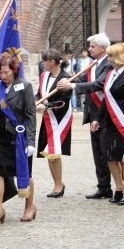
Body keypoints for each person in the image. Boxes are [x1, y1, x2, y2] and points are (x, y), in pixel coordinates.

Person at [57, 33, 114, 199]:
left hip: (107, 113)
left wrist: (72, 86)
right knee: (98, 153)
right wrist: (61, 80)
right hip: (94, 113)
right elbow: (81, 78)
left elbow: (98, 84)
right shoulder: (93, 64)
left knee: (109, 151)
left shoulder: (110, 64)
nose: (89, 49)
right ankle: (103, 187)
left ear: (102, 48)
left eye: (92, 46)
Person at [90, 43, 124, 205]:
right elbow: (106, 100)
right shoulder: (110, 75)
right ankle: (118, 187)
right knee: (110, 157)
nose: (109, 59)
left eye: (111, 56)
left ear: (120, 56)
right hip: (110, 122)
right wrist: (97, 119)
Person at [0, 55, 37, 224]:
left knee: (25, 173)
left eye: (6, 72)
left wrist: (30, 141)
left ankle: (29, 207)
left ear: (14, 70)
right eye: (0, 72)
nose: (3, 76)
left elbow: (31, 116)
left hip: (19, 138)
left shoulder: (25, 86)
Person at [36, 49, 73, 197]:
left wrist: (46, 106)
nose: (42, 63)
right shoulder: (44, 76)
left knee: (54, 152)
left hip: (59, 119)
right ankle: (57, 183)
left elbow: (63, 101)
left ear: (52, 63)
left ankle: (59, 185)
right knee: (49, 153)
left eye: (44, 61)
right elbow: (40, 93)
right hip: (47, 119)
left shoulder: (65, 78)